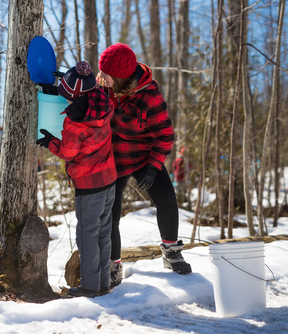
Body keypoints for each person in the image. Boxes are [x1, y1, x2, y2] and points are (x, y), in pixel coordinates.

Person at [97, 43, 192, 287]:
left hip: (144, 155)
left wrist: (153, 166)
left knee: (167, 200)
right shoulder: (102, 86)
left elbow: (165, 134)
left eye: (106, 74)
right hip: (114, 157)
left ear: (119, 76)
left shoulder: (149, 96)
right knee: (111, 213)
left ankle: (171, 252)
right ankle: (113, 264)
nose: (101, 77)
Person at [37, 61, 116, 297]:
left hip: (89, 185)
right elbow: (85, 89)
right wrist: (66, 81)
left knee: (88, 234)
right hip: (109, 179)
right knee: (103, 231)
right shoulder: (104, 102)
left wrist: (50, 141)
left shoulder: (75, 122)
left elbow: (68, 152)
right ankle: (103, 282)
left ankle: (91, 286)